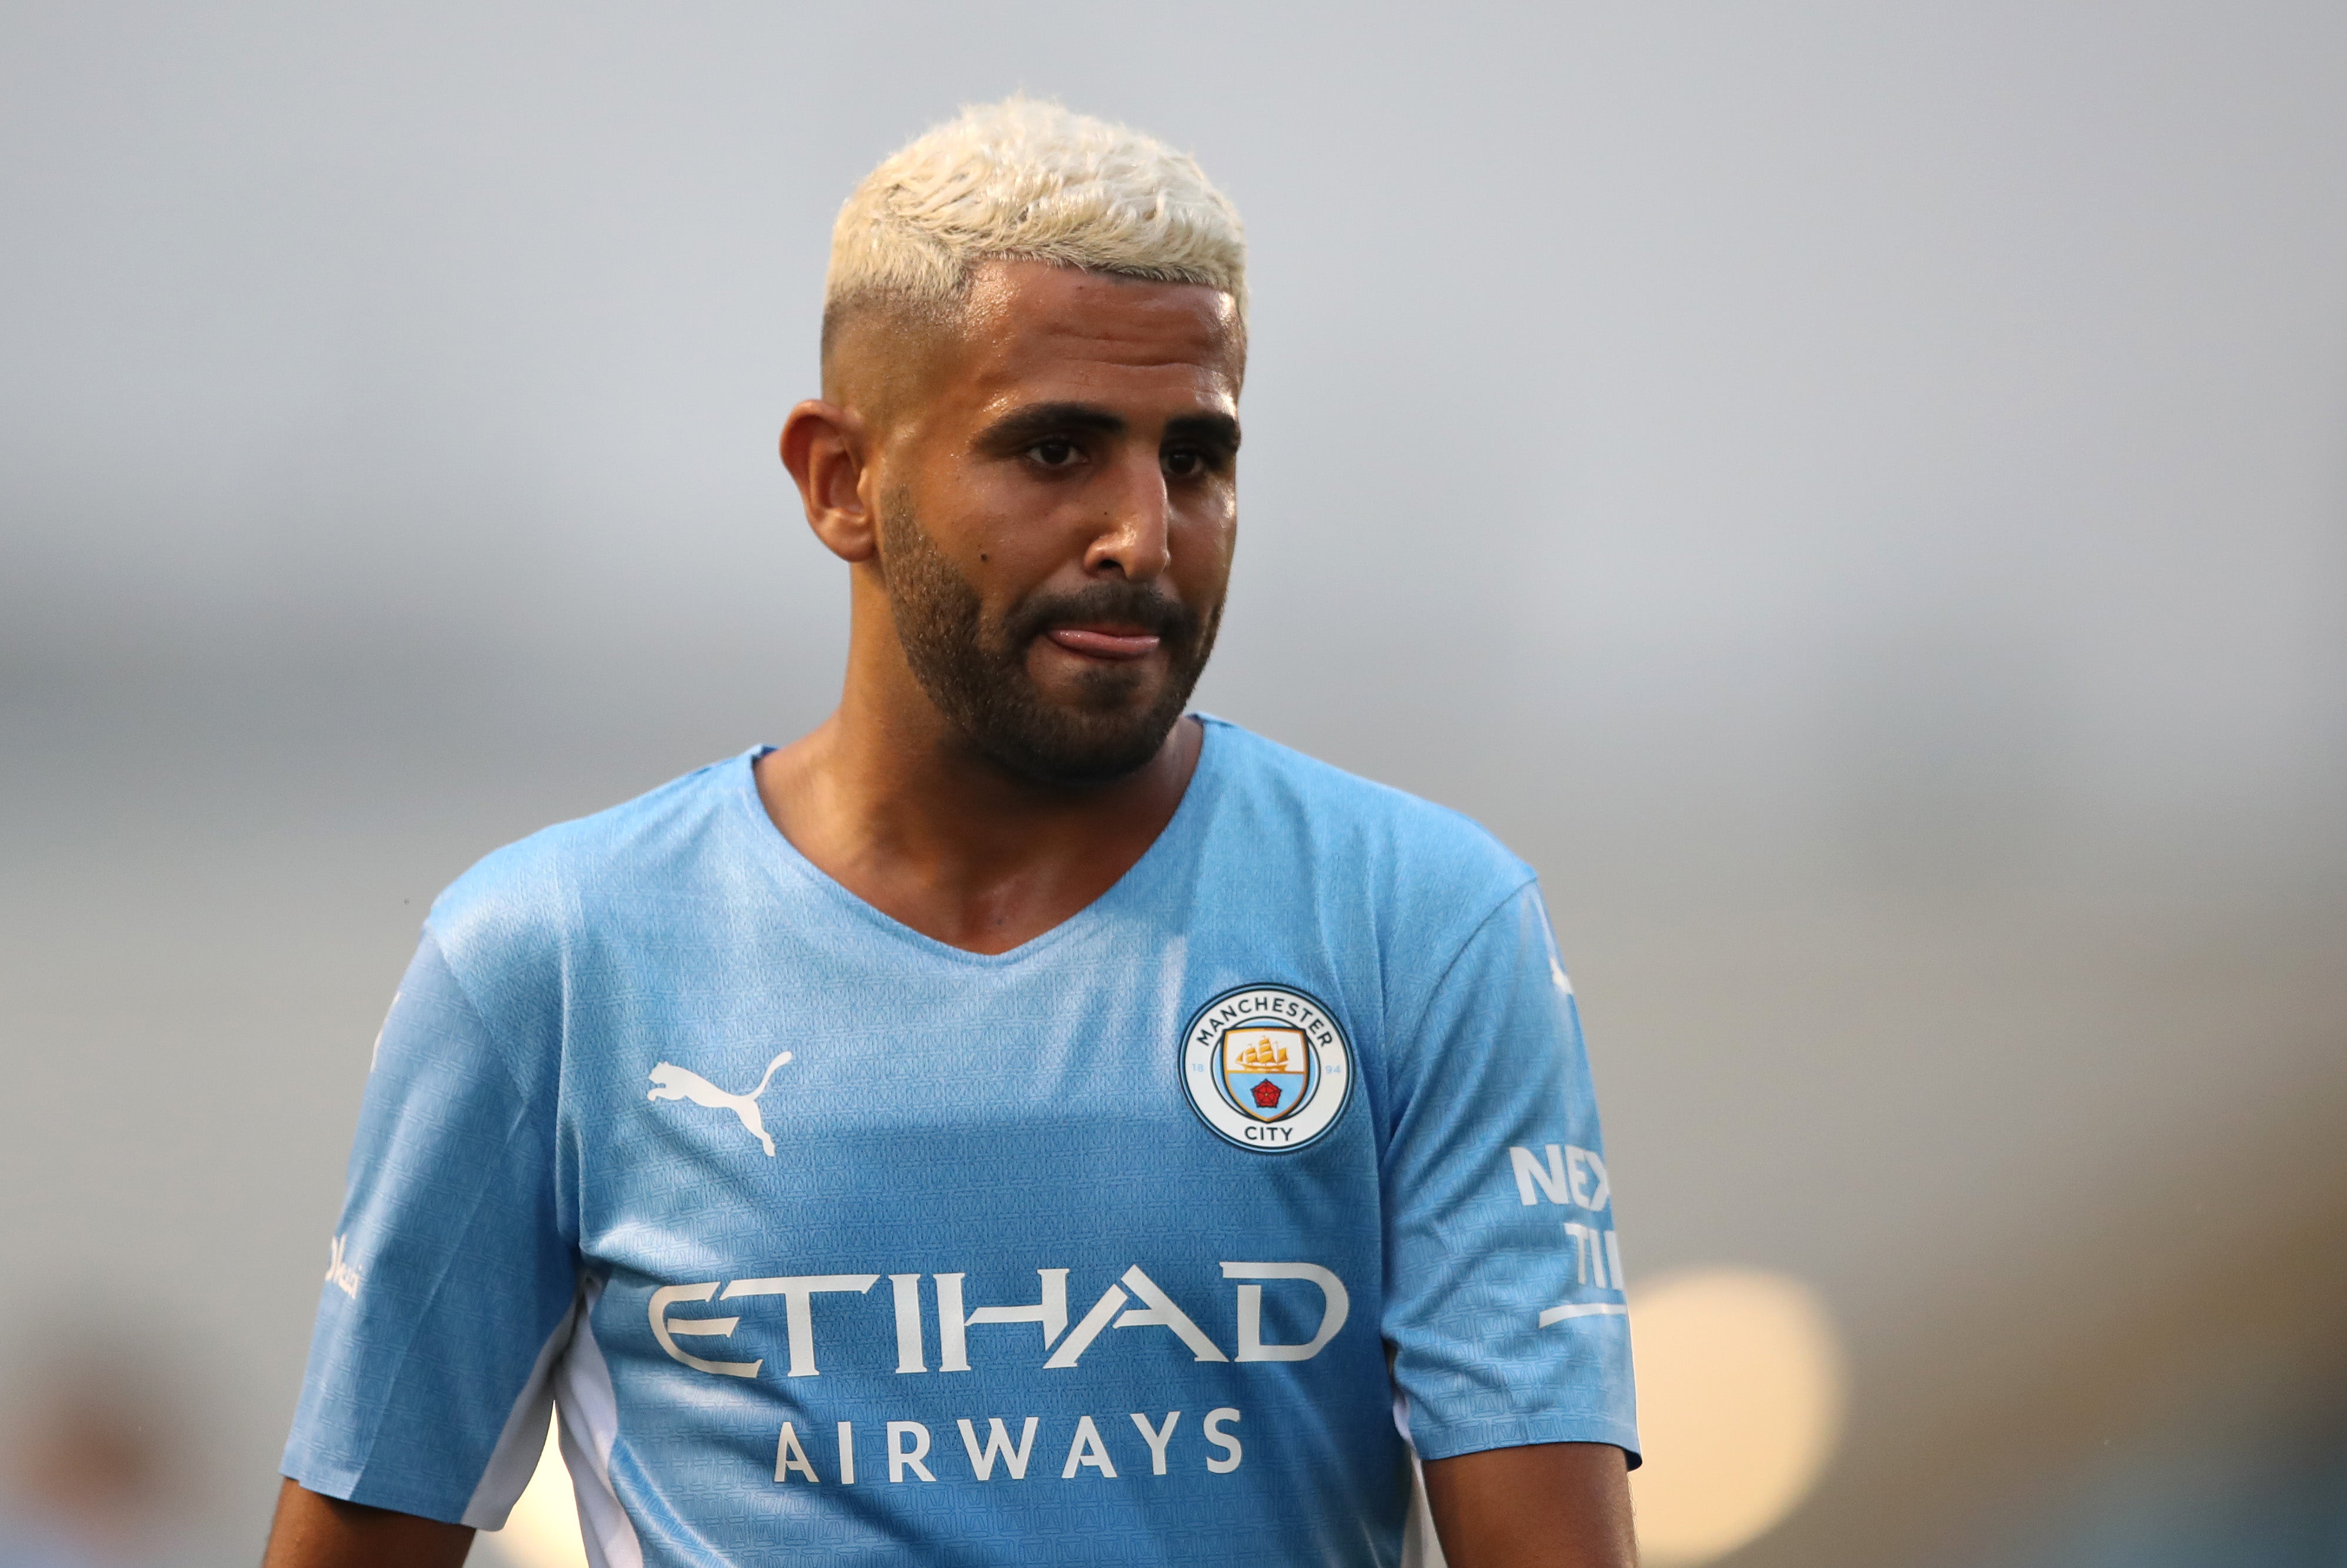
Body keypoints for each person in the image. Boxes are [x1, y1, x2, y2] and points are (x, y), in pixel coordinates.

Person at [262, 98, 1639, 1568]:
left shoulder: (1420, 926)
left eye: (1195, 458)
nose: (1143, 533)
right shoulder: (550, 960)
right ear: (838, 480)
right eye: (1054, 451)